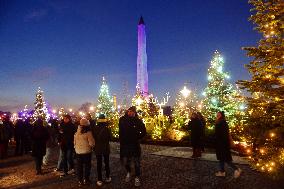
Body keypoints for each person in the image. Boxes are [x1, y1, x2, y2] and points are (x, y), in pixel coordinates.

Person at [119, 106, 146, 187]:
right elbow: (120, 131)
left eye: (133, 112)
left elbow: (144, 130)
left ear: (135, 113)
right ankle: (129, 172)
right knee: (126, 161)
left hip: (135, 144)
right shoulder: (122, 120)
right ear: (128, 111)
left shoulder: (138, 120)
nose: (131, 113)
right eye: (130, 111)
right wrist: (122, 140)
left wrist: (138, 137)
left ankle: (137, 176)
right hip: (125, 144)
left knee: (136, 162)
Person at [214, 111, 241, 178]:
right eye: (217, 114)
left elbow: (223, 134)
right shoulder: (220, 122)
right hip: (221, 143)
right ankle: (222, 172)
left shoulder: (222, 123)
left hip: (222, 144)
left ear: (222, 115)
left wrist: (220, 142)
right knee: (221, 158)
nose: (217, 115)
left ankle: (237, 169)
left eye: (219, 114)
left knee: (226, 159)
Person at [74, 118, 95, 186]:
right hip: (86, 152)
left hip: (78, 152)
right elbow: (92, 143)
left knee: (79, 167)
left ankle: (80, 181)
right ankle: (86, 179)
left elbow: (74, 143)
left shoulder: (76, 133)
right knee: (87, 166)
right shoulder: (88, 133)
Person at [92, 114, 111, 186]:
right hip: (106, 148)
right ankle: (108, 176)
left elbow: (93, 138)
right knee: (107, 163)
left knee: (99, 164)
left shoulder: (95, 128)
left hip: (98, 148)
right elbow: (110, 138)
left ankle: (99, 179)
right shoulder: (107, 128)